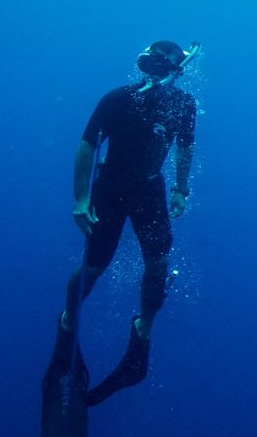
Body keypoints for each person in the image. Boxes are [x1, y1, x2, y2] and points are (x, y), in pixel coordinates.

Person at [51, 40, 199, 409]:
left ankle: (140, 340)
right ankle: (68, 323)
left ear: (175, 69)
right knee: (95, 265)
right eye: (150, 62)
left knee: (159, 263)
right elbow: (88, 145)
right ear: (143, 65)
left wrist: (180, 188)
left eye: (163, 64)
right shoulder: (117, 99)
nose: (155, 70)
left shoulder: (183, 105)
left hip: (149, 189)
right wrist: (81, 198)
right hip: (111, 187)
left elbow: (185, 147)